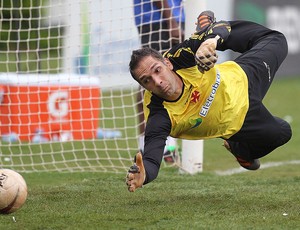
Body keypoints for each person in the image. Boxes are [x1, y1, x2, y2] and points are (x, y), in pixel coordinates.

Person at [126, 11, 292, 192]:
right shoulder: (159, 115)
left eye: (157, 70)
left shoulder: (180, 57)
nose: (157, 81)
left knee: (275, 39)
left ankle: (207, 32)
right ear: (144, 86)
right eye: (146, 80)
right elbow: (151, 159)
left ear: (167, 63)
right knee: (282, 132)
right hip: (238, 121)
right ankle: (240, 150)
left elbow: (224, 28)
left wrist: (210, 42)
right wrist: (145, 175)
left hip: (243, 76)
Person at [133, 0, 185, 161]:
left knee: (170, 76)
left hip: (172, 17)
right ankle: (155, 144)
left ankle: (160, 143)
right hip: (158, 19)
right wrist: (171, 21)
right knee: (156, 79)